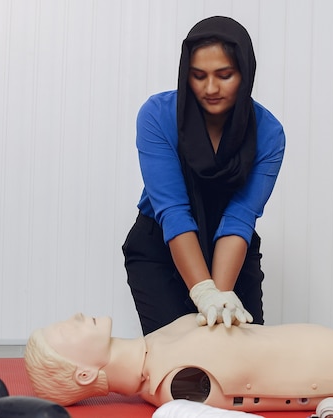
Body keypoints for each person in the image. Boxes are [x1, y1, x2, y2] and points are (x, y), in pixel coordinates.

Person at [122, 16, 285, 335]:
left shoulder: (269, 133)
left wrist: (220, 300)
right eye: (199, 76)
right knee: (183, 372)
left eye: (224, 75)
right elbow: (173, 212)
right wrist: (203, 293)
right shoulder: (157, 115)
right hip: (162, 247)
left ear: (245, 73)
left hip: (232, 247)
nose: (210, 88)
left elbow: (240, 217)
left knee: (240, 364)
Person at [23, 313, 333, 413]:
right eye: (69, 328)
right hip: (323, 361)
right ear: (85, 373)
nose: (78, 316)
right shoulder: (173, 386)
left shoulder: (157, 344)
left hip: (314, 340)